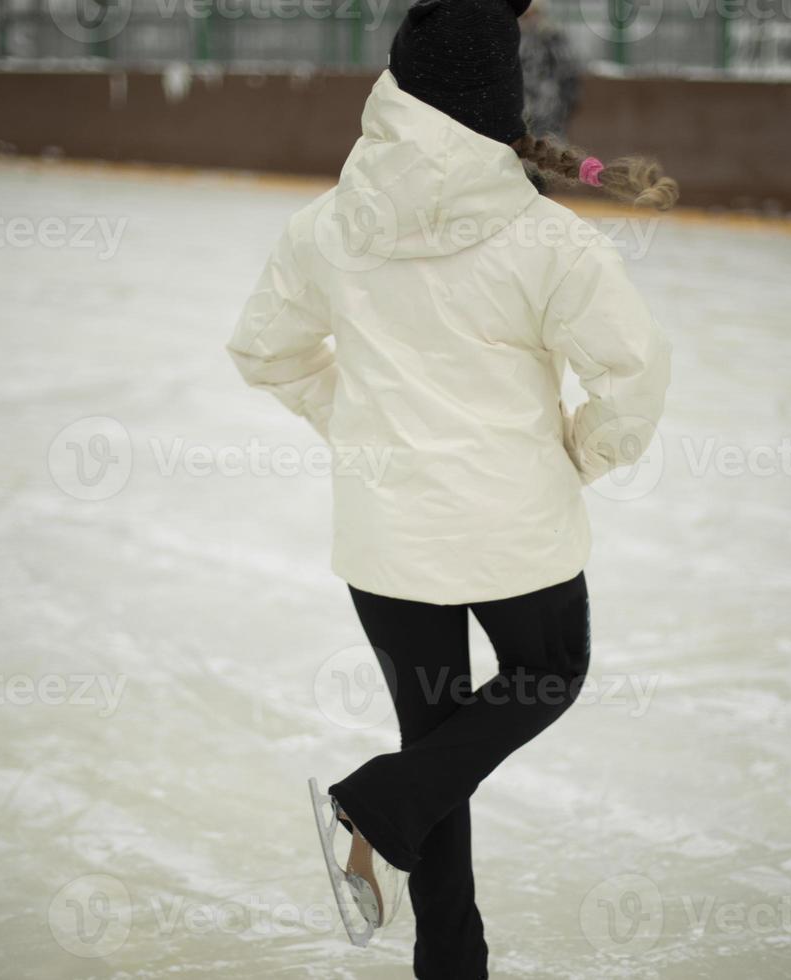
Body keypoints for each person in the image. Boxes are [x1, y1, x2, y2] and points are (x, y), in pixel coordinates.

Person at [227, 0, 677, 974]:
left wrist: (350, 420)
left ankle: (449, 953)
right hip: (516, 529)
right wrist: (580, 454)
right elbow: (633, 374)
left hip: (386, 539)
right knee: (546, 669)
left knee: (438, 739)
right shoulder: (549, 241)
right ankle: (382, 806)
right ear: (497, 103)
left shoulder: (327, 227)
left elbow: (265, 348)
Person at [519, 0, 581, 139]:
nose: (529, 19)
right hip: (523, 110)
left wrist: (565, 104)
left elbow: (568, 71)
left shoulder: (551, 35)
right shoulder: (514, 36)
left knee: (549, 148)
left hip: (548, 109)